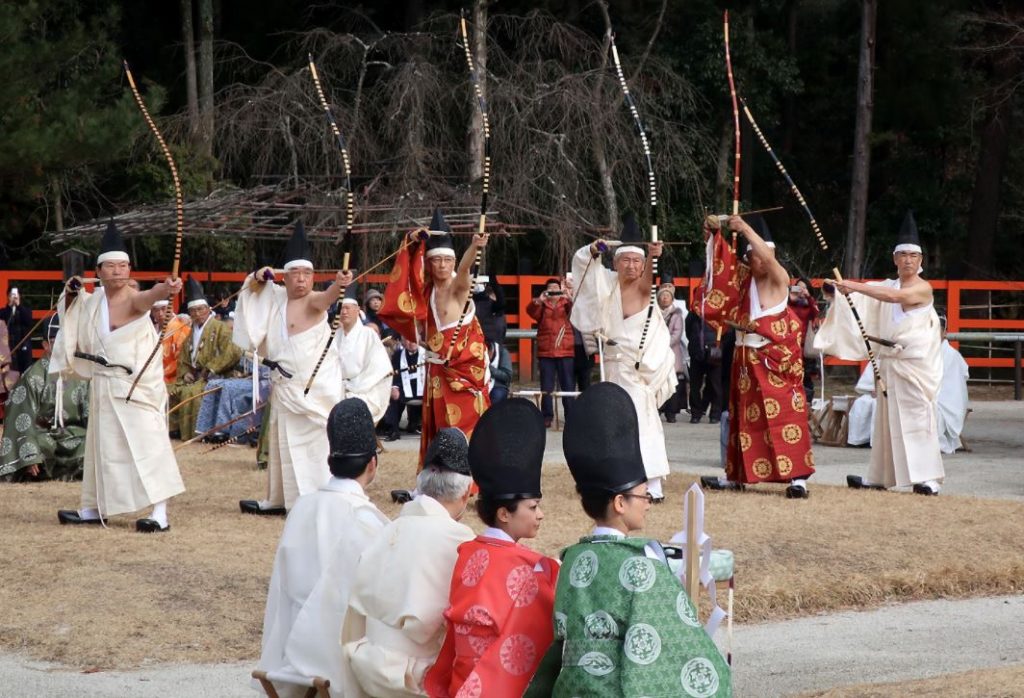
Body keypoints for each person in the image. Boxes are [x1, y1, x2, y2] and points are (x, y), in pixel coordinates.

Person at [526, 382, 731, 697]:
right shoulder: (640, 564)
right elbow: (671, 638)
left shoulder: (570, 559)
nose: (648, 501)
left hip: (570, 688)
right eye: (643, 494)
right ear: (620, 503)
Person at [50, 221, 185, 532]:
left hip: (134, 384)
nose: (117, 272)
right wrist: (71, 295)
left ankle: (159, 512)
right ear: (98, 271)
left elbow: (150, 296)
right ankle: (94, 507)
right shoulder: (92, 301)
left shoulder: (133, 299)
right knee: (102, 449)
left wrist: (168, 288)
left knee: (148, 444)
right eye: (110, 266)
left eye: (123, 266)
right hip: (104, 385)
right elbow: (70, 312)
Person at [423, 398, 558, 698]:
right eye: (533, 507)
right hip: (497, 684)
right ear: (504, 513)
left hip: (460, 679)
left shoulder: (467, 551)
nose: (540, 515)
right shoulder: (532, 569)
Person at [256, 398, 389, 697]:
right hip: (341, 665)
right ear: (372, 463)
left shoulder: (302, 507)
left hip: (290, 658)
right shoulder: (368, 522)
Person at [816, 211, 945, 495]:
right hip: (889, 364)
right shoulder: (887, 285)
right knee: (885, 423)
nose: (908, 260)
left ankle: (928, 478)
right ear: (895, 259)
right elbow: (867, 296)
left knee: (918, 418)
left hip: (914, 365)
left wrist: (854, 286)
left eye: (914, 255)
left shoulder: (923, 288)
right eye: (903, 255)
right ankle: (879, 477)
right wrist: (839, 289)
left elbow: (893, 298)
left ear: (921, 261)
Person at [341, 428, 476, 697]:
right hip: (415, 678)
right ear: (465, 494)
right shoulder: (461, 540)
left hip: (366, 665)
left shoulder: (388, 529)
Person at [233, 221, 353, 514]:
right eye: (295, 274)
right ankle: (281, 499)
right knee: (283, 444)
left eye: (307, 274)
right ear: (284, 277)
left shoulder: (313, 300)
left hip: (312, 389)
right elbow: (251, 289)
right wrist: (259, 276)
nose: (301, 280)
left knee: (313, 446)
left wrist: (338, 284)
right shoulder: (275, 299)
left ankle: (316, 499)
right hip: (285, 386)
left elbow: (326, 299)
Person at [697, 214, 815, 498]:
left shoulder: (777, 278)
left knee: (786, 416)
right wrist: (714, 232)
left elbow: (780, 271)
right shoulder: (743, 279)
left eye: (762, 255)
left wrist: (745, 228)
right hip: (745, 360)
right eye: (752, 256)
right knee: (744, 419)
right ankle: (737, 475)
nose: (757, 261)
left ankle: (798, 478)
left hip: (774, 358)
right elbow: (720, 266)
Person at [570, 212, 677, 502]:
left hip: (636, 370)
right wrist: (593, 251)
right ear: (615, 263)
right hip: (613, 365)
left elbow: (647, 280)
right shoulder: (606, 284)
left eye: (637, 261)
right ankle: (619, 477)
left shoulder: (644, 288)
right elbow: (584, 270)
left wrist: (654, 256)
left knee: (642, 421)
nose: (631, 266)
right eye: (625, 260)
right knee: (611, 424)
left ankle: (653, 483)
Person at [378, 208, 491, 468]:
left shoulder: (457, 287)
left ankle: (470, 478)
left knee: (466, 423)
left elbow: (464, 271)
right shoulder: (425, 290)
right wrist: (413, 240)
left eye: (446, 260)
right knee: (439, 424)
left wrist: (474, 247)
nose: (442, 265)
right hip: (437, 369)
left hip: (461, 368)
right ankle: (439, 475)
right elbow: (406, 276)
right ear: (428, 263)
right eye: (436, 260)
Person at [1, 315, 89, 481]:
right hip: (42, 436)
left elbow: (92, 414)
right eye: (57, 340)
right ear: (46, 345)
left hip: (74, 435)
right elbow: (21, 417)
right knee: (41, 449)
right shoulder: (33, 376)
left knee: (91, 446)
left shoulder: (82, 374)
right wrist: (29, 453)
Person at [169, 278, 243, 441]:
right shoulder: (190, 333)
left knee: (192, 392)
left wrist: (209, 368)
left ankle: (197, 433)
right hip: (195, 376)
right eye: (193, 311)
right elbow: (183, 359)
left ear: (208, 310)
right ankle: (175, 429)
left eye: (201, 309)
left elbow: (234, 351)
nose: (197, 314)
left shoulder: (221, 328)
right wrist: (185, 372)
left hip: (215, 376)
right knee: (170, 389)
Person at [336, 284, 393, 425]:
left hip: (364, 389)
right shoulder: (334, 336)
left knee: (354, 407)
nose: (344, 312)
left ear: (357, 311)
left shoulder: (369, 335)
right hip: (336, 387)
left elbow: (378, 368)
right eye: (341, 308)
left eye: (348, 308)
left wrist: (353, 389)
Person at [527, 277, 576, 427]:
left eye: (556, 287)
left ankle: (571, 416)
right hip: (546, 351)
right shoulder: (542, 304)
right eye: (551, 288)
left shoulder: (566, 303)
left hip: (565, 349)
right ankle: (547, 416)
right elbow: (531, 312)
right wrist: (538, 301)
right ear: (546, 290)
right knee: (546, 386)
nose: (554, 290)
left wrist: (570, 298)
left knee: (568, 385)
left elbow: (578, 312)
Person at [379, 337, 424, 441]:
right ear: (403, 342)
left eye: (413, 339)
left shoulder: (426, 354)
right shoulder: (398, 355)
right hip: (405, 387)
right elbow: (395, 373)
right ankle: (393, 430)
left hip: (423, 388)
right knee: (393, 398)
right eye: (408, 339)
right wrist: (394, 387)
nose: (411, 342)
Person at [936, 320, 970, 454]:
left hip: (945, 402)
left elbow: (953, 387)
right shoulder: (924, 351)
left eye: (936, 329)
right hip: (927, 395)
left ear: (945, 332)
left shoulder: (952, 355)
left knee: (927, 410)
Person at [658, 276, 687, 423]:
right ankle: (657, 410)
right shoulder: (654, 312)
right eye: (662, 295)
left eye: (667, 295)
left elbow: (677, 333)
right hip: (656, 353)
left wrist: (662, 343)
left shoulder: (677, 314)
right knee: (657, 382)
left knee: (672, 383)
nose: (664, 298)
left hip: (671, 352)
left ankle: (671, 413)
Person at [685, 307, 722, 424]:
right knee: (695, 385)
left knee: (715, 385)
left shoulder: (719, 312)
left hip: (714, 352)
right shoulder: (693, 314)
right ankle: (696, 413)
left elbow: (726, 331)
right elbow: (688, 331)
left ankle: (715, 414)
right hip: (697, 352)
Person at [788, 277, 820, 404]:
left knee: (805, 374)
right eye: (798, 287)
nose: (801, 290)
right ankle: (792, 399)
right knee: (791, 374)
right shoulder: (790, 302)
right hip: (790, 342)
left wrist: (809, 297)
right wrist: (791, 297)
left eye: (804, 287)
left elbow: (816, 313)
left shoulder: (809, 304)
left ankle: (807, 401)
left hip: (803, 343)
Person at [150, 300, 190, 386]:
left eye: (163, 309)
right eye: (156, 310)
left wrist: (159, 373)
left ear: (171, 308)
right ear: (152, 312)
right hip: (153, 374)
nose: (160, 314)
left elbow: (181, 360)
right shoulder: (151, 330)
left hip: (172, 377)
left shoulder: (181, 329)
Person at [2, 287, 34, 373]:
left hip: (24, 347)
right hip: (9, 348)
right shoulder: (4, 311)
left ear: (19, 296)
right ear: (8, 297)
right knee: (10, 374)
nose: (13, 297)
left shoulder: (26, 310)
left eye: (16, 295)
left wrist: (18, 305)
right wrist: (9, 306)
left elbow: (29, 322)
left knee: (25, 373)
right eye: (11, 295)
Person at [487, 337, 513, 404]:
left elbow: (507, 376)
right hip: (477, 387)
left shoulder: (502, 352)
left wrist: (489, 368)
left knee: (497, 397)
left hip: (497, 385)